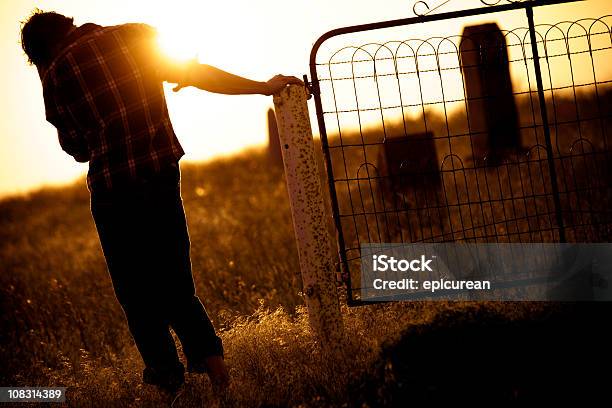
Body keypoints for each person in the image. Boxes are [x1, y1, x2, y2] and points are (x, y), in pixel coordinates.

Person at [20, 10, 303, 394]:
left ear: (42, 53)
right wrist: (263, 86)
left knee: (135, 294)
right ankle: (217, 371)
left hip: (113, 191)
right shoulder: (135, 36)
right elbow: (198, 73)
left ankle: (169, 380)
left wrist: (53, 78)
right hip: (161, 177)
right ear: (69, 24)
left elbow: (77, 149)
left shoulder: (55, 75)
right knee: (175, 281)